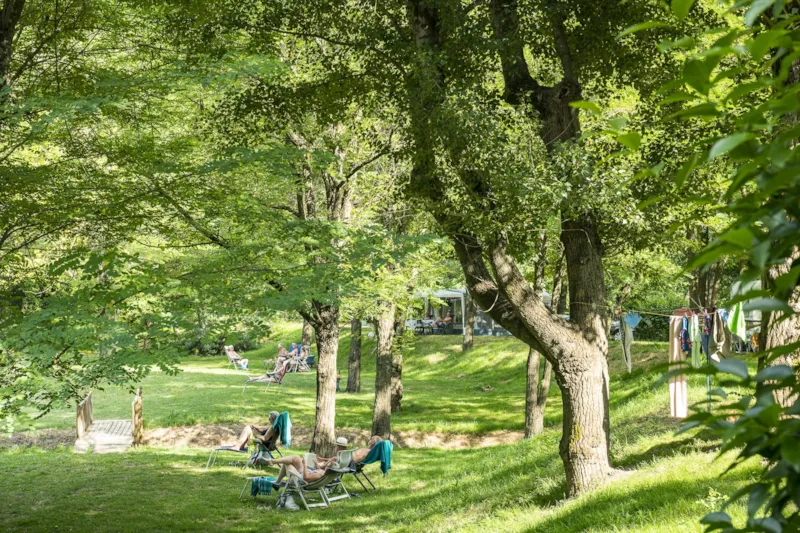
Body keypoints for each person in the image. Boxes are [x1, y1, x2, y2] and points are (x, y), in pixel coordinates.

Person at [317, 435, 383, 468]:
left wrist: (348, 460)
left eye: (372, 439)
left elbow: (356, 458)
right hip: (347, 461)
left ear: (373, 442)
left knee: (335, 458)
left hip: (348, 463)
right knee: (335, 458)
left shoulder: (367, 451)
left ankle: (322, 465)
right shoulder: (368, 451)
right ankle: (324, 461)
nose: (370, 439)